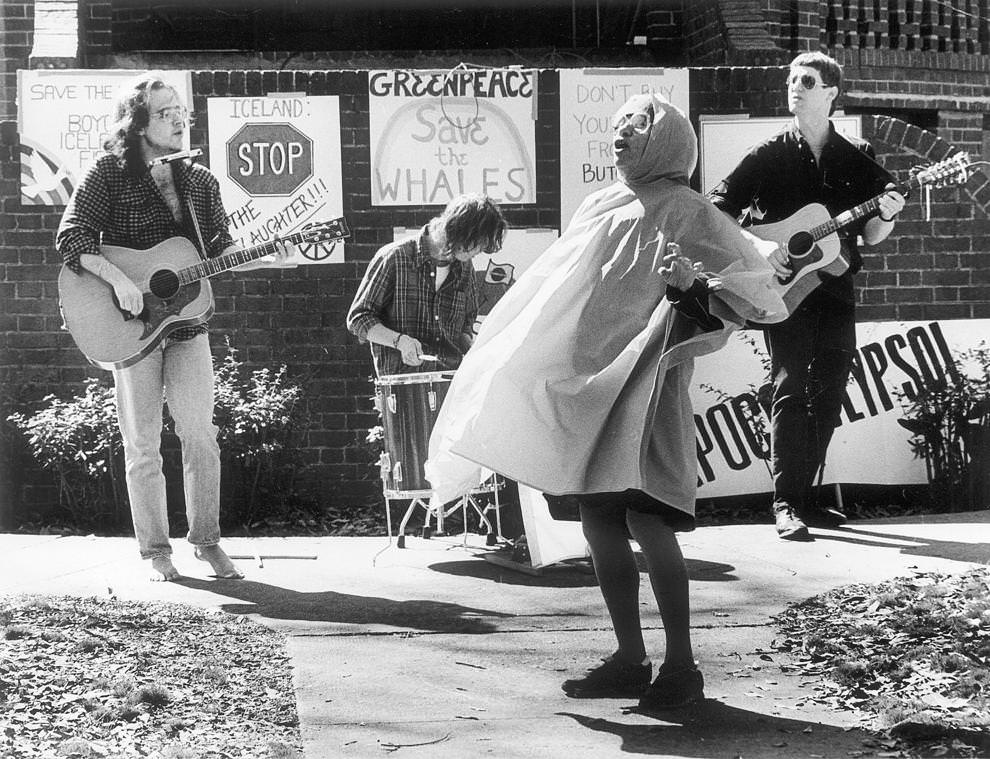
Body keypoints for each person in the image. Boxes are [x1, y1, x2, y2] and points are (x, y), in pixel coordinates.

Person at [425, 93, 788, 711]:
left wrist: (695, 287)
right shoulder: (601, 203)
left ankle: (681, 664)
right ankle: (629, 656)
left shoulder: (690, 211)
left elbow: (757, 292)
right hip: (589, 384)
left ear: (666, 141)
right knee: (597, 520)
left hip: (646, 387)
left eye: (637, 127)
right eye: (617, 126)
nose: (621, 134)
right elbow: (557, 291)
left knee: (647, 517)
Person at [55, 72, 296, 581]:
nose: (179, 121)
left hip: (187, 325)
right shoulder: (109, 174)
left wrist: (271, 256)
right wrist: (119, 278)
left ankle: (207, 543)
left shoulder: (201, 182)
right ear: (138, 123)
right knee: (142, 444)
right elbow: (72, 237)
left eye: (180, 112)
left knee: (200, 434)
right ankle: (155, 552)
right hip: (129, 329)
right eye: (165, 113)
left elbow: (222, 252)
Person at [708, 51, 906, 541]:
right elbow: (717, 207)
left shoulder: (857, 156)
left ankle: (805, 498)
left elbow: (874, 237)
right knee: (792, 387)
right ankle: (786, 504)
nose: (795, 87)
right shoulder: (768, 153)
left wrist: (889, 212)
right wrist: (761, 246)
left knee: (832, 390)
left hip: (835, 285)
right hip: (786, 289)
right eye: (792, 80)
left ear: (831, 93)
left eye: (808, 81)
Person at [345, 193, 507, 377]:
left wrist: (474, 351)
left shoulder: (465, 267)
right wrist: (400, 341)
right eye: (478, 244)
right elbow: (358, 318)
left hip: (450, 383)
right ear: (460, 232)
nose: (479, 251)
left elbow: (466, 324)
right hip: (403, 385)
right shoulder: (395, 257)